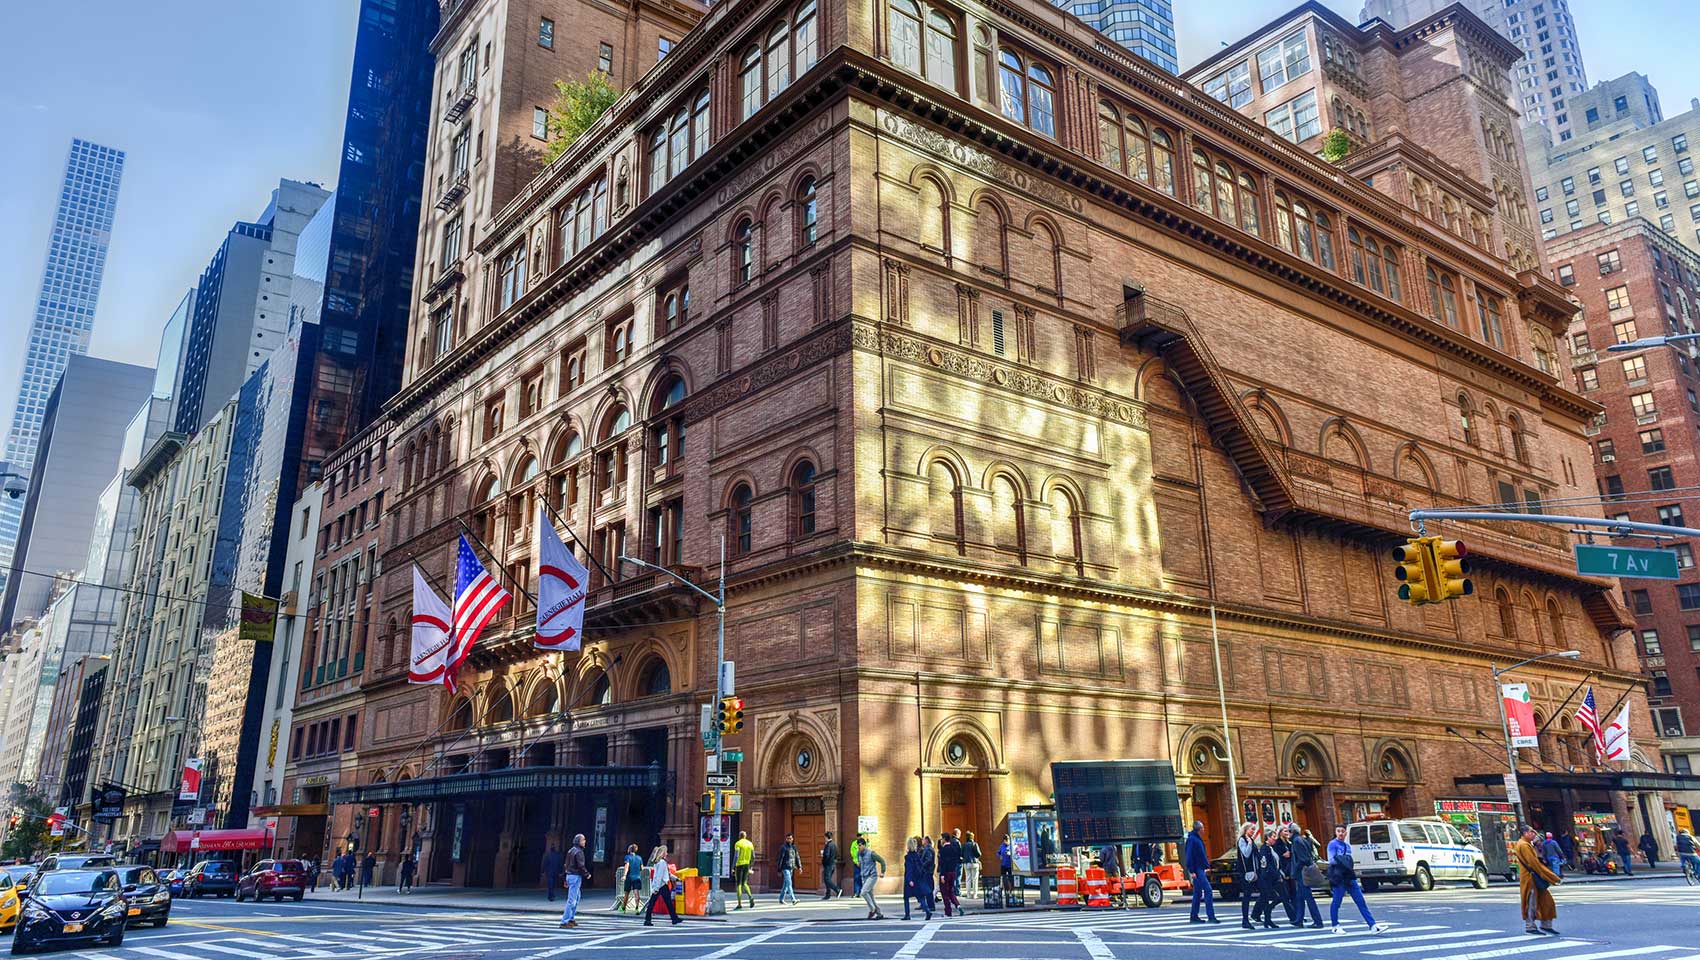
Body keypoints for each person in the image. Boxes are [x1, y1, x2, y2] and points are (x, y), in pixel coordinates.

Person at [1327, 824, 1387, 935]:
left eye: (1342, 831)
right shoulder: (1332, 844)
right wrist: (1344, 860)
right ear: (1335, 832)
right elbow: (1331, 860)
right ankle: (1335, 925)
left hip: (1349, 876)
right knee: (1337, 901)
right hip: (1338, 876)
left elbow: (1349, 861)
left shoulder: (1347, 846)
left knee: (1360, 901)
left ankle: (1373, 925)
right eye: (1338, 831)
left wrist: (1344, 860)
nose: (1340, 833)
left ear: (1346, 833)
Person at [1513, 826, 1560, 936]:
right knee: (1531, 903)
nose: (1534, 834)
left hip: (1533, 877)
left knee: (1546, 901)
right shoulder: (1524, 845)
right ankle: (1530, 926)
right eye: (1531, 832)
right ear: (1524, 833)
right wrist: (1551, 877)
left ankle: (1546, 924)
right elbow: (1534, 864)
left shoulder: (1527, 844)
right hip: (1531, 878)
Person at [1288, 824, 1323, 928]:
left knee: (1308, 897)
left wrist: (1295, 869)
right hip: (1302, 873)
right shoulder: (1301, 839)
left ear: (1292, 832)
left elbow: (1303, 859)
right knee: (1300, 898)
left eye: (1288, 832)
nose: (1287, 834)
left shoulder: (1297, 841)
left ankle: (1318, 921)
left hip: (1302, 874)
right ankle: (1299, 920)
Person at [1184, 820, 1218, 924]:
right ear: (1199, 829)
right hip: (1197, 869)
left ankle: (1194, 916)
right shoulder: (1192, 840)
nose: (1204, 829)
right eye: (1203, 828)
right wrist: (1192, 871)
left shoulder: (1196, 839)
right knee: (1208, 890)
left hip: (1200, 868)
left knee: (1198, 893)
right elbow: (1189, 856)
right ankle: (1210, 916)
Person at [642, 845, 683, 926]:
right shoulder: (662, 862)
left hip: (660, 885)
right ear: (663, 853)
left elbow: (667, 874)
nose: (667, 853)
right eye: (666, 852)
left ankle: (674, 918)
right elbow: (660, 876)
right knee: (660, 903)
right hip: (661, 885)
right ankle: (648, 920)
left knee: (660, 903)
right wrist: (656, 888)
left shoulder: (659, 862)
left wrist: (676, 878)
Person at [1251, 828, 1283, 930]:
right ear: (1268, 837)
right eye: (1273, 837)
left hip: (1272, 878)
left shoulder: (1271, 848)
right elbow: (1265, 865)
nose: (1275, 839)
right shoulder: (1265, 849)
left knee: (1268, 899)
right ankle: (1267, 919)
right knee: (1273, 898)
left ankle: (1267, 919)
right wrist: (1276, 875)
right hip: (1266, 879)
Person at [559, 833, 588, 928]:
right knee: (572, 899)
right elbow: (581, 865)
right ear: (579, 841)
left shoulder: (570, 851)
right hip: (575, 876)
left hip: (570, 875)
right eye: (583, 840)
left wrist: (565, 878)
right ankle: (564, 921)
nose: (585, 841)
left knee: (577, 897)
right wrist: (587, 874)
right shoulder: (579, 852)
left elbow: (565, 865)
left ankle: (571, 918)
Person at [1235, 823, 1260, 930]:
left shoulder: (1250, 839)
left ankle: (1257, 914)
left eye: (1254, 830)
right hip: (1246, 873)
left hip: (1254, 871)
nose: (1253, 832)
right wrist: (1249, 843)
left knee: (1265, 892)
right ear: (1245, 830)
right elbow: (1246, 854)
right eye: (1251, 829)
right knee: (1247, 896)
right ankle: (1245, 920)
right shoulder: (1242, 840)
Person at [857, 836, 887, 919]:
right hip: (864, 876)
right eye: (858, 846)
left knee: (863, 892)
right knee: (871, 896)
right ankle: (879, 914)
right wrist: (859, 864)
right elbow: (860, 862)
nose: (859, 847)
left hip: (872, 876)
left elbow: (882, 861)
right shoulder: (858, 853)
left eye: (860, 845)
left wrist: (882, 872)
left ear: (864, 845)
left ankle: (872, 909)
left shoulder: (871, 853)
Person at [902, 837, 932, 921]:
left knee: (906, 898)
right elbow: (921, 867)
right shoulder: (917, 855)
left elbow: (909, 869)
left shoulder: (908, 857)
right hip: (918, 879)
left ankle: (907, 915)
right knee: (920, 896)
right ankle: (927, 911)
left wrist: (909, 880)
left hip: (911, 879)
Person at [1272, 826, 1297, 924]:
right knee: (1285, 896)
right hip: (1283, 871)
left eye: (1288, 831)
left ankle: (1297, 915)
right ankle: (1293, 916)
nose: (1287, 832)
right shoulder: (1278, 843)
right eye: (1285, 831)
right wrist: (1283, 855)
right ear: (1280, 832)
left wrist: (1289, 853)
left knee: (1293, 894)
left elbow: (1291, 854)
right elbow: (1277, 856)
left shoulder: (1289, 842)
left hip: (1290, 870)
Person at [938, 831, 963, 917]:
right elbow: (957, 859)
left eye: (941, 838)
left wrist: (942, 875)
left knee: (944, 893)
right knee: (951, 891)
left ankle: (948, 912)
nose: (941, 840)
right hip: (953, 872)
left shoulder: (943, 850)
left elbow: (943, 863)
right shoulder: (954, 848)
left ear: (944, 839)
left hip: (945, 873)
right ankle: (958, 905)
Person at [733, 831, 756, 909]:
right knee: (745, 883)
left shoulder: (738, 843)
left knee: (739, 884)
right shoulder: (750, 844)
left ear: (740, 836)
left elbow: (736, 856)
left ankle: (739, 904)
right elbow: (753, 856)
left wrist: (733, 867)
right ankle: (750, 897)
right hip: (747, 864)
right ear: (745, 836)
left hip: (739, 865)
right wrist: (751, 866)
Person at [777, 833, 801, 905]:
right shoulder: (783, 847)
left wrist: (799, 867)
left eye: (790, 838)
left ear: (792, 839)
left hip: (791, 867)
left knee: (785, 884)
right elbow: (780, 858)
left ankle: (781, 899)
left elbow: (797, 857)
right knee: (789, 883)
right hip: (785, 867)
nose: (789, 840)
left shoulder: (794, 847)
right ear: (786, 839)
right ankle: (793, 899)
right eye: (788, 838)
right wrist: (779, 869)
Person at [619, 844, 644, 912]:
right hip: (637, 877)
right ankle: (637, 908)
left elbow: (627, 866)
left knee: (626, 893)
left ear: (629, 850)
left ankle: (623, 908)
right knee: (636, 893)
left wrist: (624, 875)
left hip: (629, 877)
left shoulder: (627, 857)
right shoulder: (639, 858)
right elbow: (642, 868)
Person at [1099, 841, 1124, 908]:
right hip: (1114, 867)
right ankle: (1121, 897)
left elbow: (1101, 859)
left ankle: (1111, 898)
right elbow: (1116, 858)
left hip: (1107, 868)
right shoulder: (1114, 847)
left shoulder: (1103, 849)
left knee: (1108, 884)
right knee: (1117, 883)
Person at [919, 835, 937, 915]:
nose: (922, 841)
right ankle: (929, 905)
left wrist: (922, 865)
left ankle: (930, 906)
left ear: (926, 841)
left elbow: (928, 860)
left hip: (927, 871)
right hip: (928, 871)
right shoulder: (928, 849)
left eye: (923, 840)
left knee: (928, 889)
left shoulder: (928, 849)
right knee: (928, 889)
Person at [962, 832, 982, 904]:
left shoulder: (963, 844)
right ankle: (975, 895)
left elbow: (961, 854)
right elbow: (979, 854)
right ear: (972, 837)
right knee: (975, 879)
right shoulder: (974, 844)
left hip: (966, 863)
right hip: (974, 862)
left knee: (968, 879)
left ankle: (968, 894)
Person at [821, 832, 842, 899]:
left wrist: (823, 858)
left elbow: (826, 855)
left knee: (827, 879)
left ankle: (837, 889)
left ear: (826, 837)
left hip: (828, 864)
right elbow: (838, 854)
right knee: (828, 879)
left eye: (825, 837)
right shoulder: (834, 845)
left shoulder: (828, 845)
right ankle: (828, 894)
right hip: (833, 864)